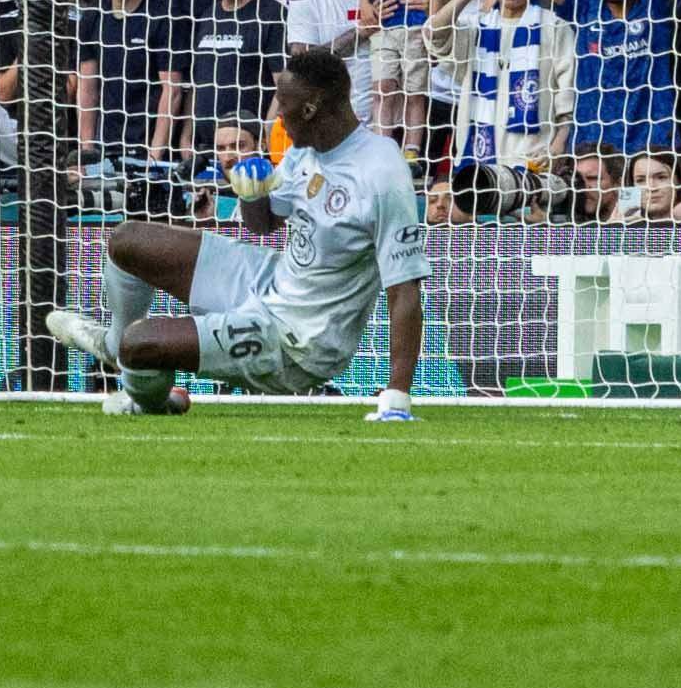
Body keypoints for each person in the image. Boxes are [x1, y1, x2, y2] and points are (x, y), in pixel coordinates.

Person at [43, 39, 424, 419]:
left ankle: (149, 396)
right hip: (269, 280)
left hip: (299, 340)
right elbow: (264, 225)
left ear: (310, 110)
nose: (278, 119)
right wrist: (251, 194)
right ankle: (114, 349)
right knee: (128, 241)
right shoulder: (305, 150)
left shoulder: (381, 173)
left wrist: (397, 398)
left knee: (140, 343)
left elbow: (404, 289)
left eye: (284, 109)